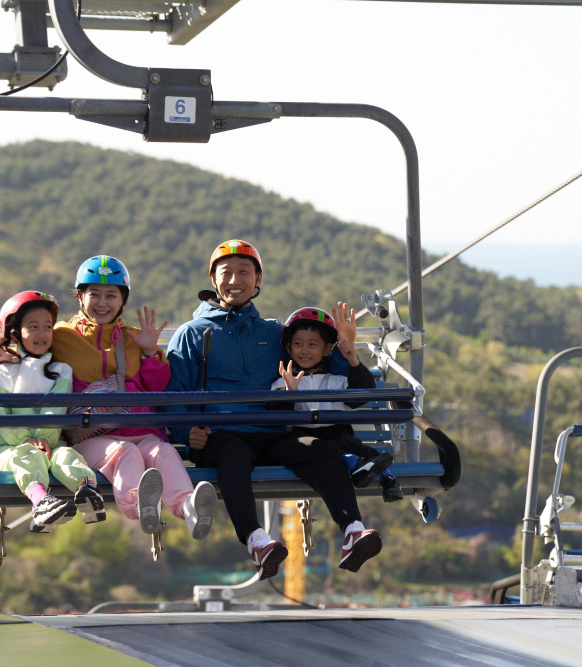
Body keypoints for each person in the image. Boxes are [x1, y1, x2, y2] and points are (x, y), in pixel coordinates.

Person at [165, 239, 383, 579]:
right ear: (213, 278)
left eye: (244, 273)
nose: (235, 280)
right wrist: (183, 432)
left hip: (272, 434)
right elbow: (175, 393)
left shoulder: (273, 332)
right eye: (226, 273)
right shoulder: (193, 334)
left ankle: (353, 531)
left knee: (320, 449)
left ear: (258, 279)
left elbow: (326, 369)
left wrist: (345, 348)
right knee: (234, 453)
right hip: (220, 437)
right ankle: (257, 541)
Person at [0, 257, 216, 541]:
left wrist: (149, 354)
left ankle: (187, 506)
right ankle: (137, 504)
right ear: (80, 297)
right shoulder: (62, 336)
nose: (102, 302)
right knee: (124, 453)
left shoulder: (133, 339)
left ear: (122, 301)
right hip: (93, 434)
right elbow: (33, 344)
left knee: (163, 452)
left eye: (111, 295)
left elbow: (157, 387)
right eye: (94, 294)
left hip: (140, 429)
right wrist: (11, 356)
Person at [0, 291, 106, 533]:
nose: (41, 334)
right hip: (9, 451)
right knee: (28, 455)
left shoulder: (61, 371)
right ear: (15, 333)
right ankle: (41, 502)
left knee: (66, 454)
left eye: (47, 327)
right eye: (33, 327)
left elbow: (56, 407)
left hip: (50, 444)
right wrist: (26, 440)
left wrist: (45, 437)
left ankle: (87, 491)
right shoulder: (2, 373)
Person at [271, 304, 404, 503]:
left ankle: (388, 480)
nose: (304, 351)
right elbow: (277, 417)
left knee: (361, 449)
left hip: (337, 432)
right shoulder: (283, 381)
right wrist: (289, 392)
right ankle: (357, 466)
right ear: (288, 348)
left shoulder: (336, 381)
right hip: (303, 437)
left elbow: (361, 396)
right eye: (298, 344)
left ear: (326, 350)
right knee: (330, 450)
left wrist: (353, 360)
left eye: (312, 345)